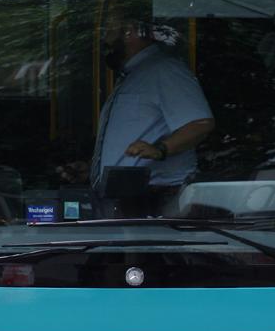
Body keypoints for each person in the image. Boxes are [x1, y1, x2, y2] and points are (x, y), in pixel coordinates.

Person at [88, 13, 215, 215]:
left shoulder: (164, 70)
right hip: (129, 198)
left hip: (158, 199)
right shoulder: (134, 76)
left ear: (129, 32)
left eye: (108, 32)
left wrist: (160, 149)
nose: (104, 41)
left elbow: (200, 124)